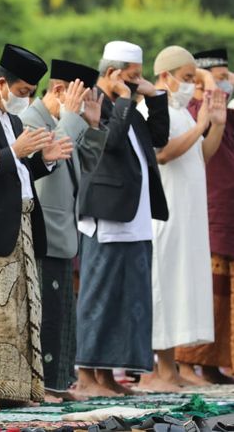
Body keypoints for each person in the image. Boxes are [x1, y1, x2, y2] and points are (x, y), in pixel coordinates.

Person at [0, 44, 72, 406]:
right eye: (23, 93)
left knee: (22, 315)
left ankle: (17, 390)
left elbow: (18, 175)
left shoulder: (14, 120)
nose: (26, 100)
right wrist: (17, 153)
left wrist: (45, 162)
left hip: (22, 226)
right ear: (3, 83)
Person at [74, 41, 170, 397]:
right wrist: (125, 97)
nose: (136, 83)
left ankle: (110, 376)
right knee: (100, 297)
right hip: (107, 217)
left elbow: (158, 137)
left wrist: (156, 95)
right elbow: (108, 143)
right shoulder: (94, 100)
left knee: (130, 300)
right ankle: (87, 375)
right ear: (113, 74)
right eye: (132, 77)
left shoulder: (126, 105)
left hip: (136, 217)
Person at [133, 46, 226, 392]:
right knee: (163, 287)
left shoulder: (182, 112)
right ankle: (156, 371)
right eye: (186, 78)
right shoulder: (151, 110)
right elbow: (165, 155)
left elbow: (200, 154)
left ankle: (170, 369)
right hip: (164, 215)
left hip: (188, 213)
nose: (190, 85)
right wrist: (202, 122)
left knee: (180, 288)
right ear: (164, 76)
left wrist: (213, 125)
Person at [19, 60, 107, 400]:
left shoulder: (62, 121)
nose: (81, 109)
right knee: (45, 317)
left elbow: (84, 166)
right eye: (79, 100)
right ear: (59, 91)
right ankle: (44, 386)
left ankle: (57, 383)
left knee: (61, 318)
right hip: (43, 231)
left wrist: (93, 124)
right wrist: (73, 117)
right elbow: (51, 162)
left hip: (62, 232)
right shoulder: (32, 120)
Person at [177, 49, 234, 385]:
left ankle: (213, 364)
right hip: (205, 210)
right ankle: (187, 364)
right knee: (202, 289)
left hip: (226, 211)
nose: (225, 82)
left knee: (224, 293)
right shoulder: (191, 111)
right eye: (219, 76)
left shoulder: (223, 111)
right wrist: (209, 81)